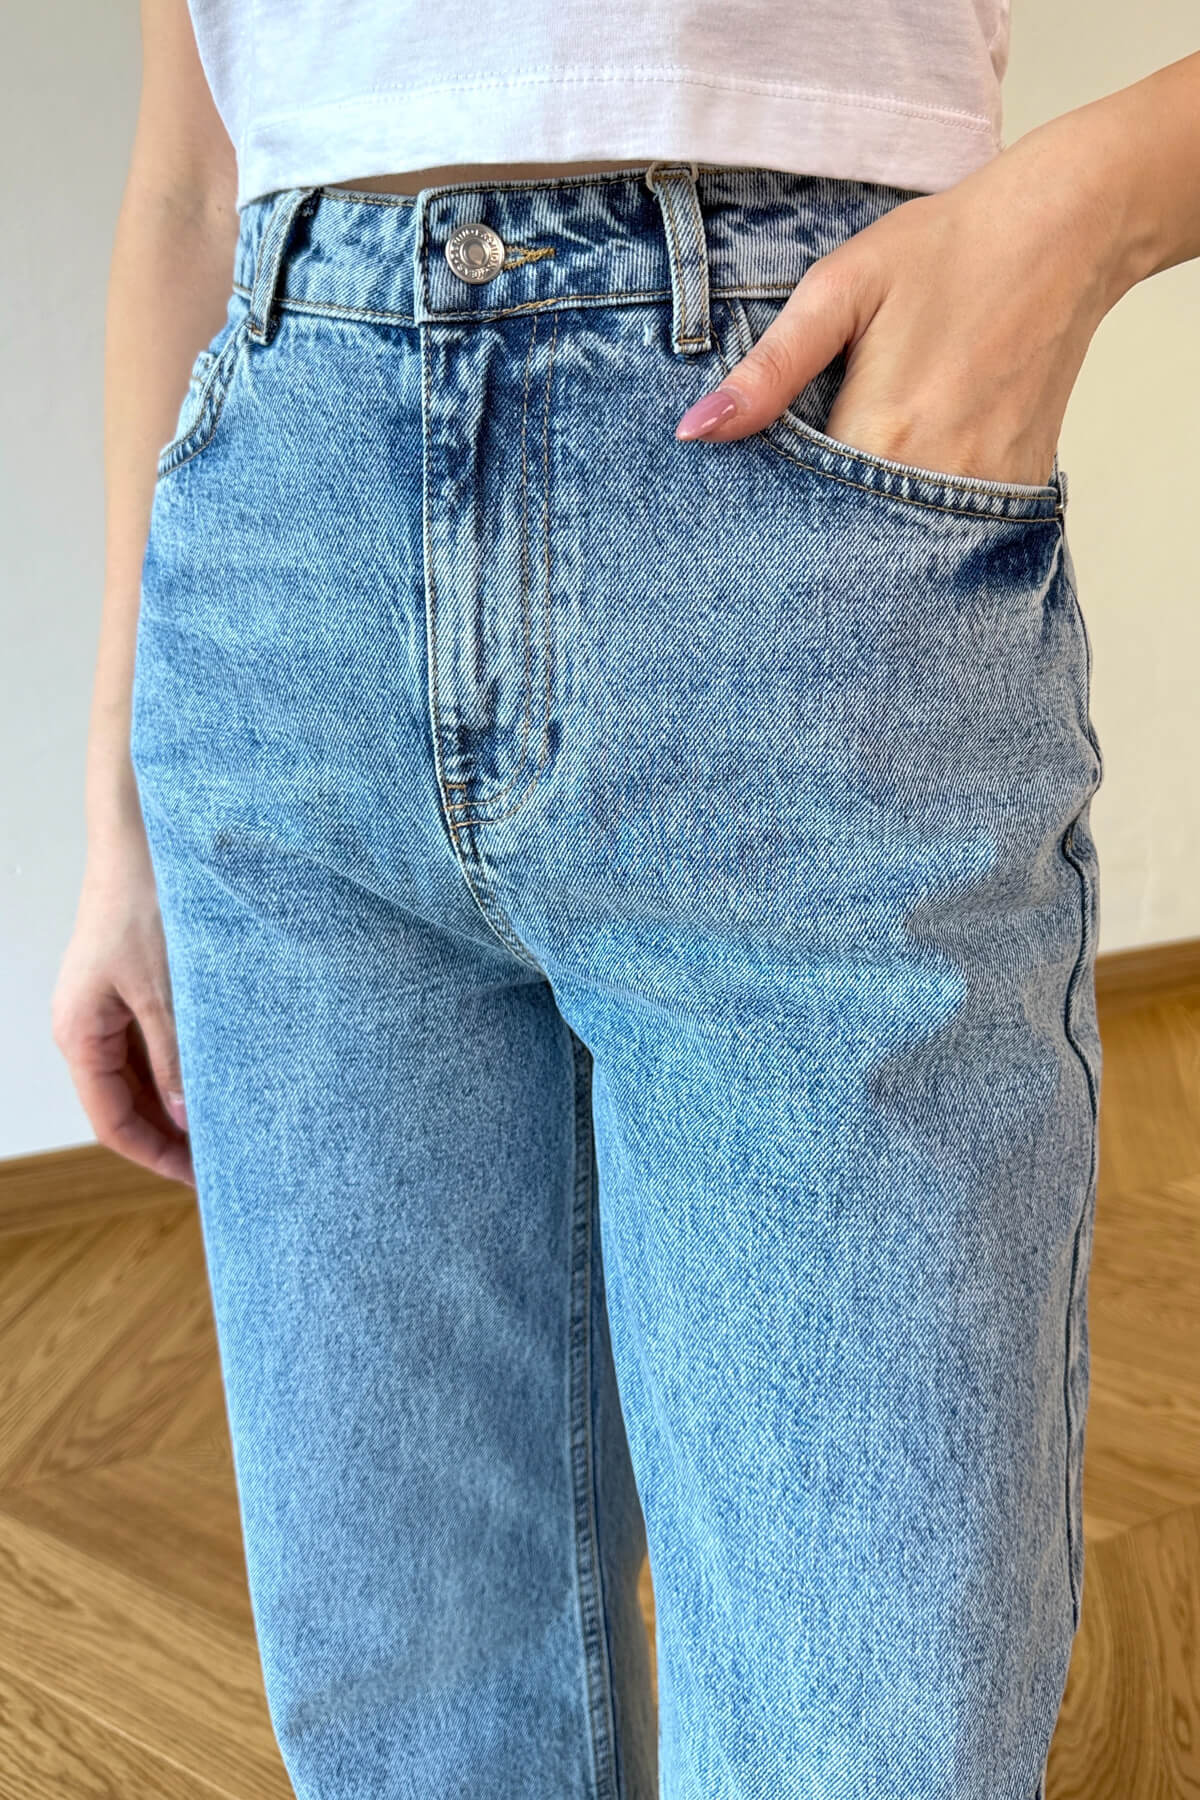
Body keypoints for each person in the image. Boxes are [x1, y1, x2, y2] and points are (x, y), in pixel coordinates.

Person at [50, 1, 1199, 1794]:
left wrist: (1087, 213)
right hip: (279, 588)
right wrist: (119, 814)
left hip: (792, 518)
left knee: (859, 1730)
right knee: (408, 1711)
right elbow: (192, 182)